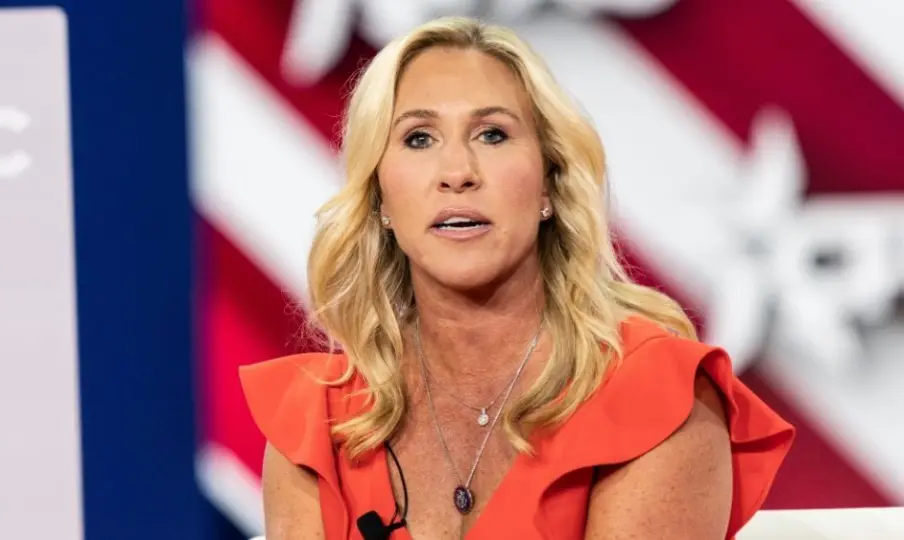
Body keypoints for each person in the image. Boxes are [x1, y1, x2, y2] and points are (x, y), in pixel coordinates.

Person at [239, 15, 795, 540]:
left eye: (493, 135)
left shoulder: (657, 396)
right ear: (380, 194)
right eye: (418, 139)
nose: (457, 173)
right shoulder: (315, 421)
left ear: (550, 183)